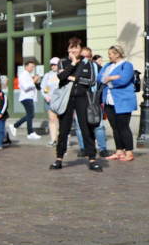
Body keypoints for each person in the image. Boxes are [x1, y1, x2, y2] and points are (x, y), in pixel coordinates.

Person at [51, 37, 101, 172]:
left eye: (76, 47)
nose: (73, 50)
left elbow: (90, 80)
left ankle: (92, 159)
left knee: (86, 128)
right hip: (66, 99)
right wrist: (72, 64)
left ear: (81, 49)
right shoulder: (63, 62)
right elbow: (61, 77)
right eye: (71, 47)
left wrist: (73, 78)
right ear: (68, 49)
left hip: (82, 98)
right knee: (64, 129)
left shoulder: (87, 63)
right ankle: (59, 158)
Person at [99, 45, 136, 162]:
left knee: (123, 127)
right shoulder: (108, 65)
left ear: (117, 54)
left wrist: (109, 78)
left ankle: (129, 152)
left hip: (123, 101)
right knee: (115, 127)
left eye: (110, 53)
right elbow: (100, 77)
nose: (108, 56)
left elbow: (123, 80)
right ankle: (119, 151)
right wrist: (112, 77)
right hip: (109, 101)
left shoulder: (127, 65)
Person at [11, 58, 41, 140]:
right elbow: (25, 87)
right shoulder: (23, 75)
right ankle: (16, 126)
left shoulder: (27, 75)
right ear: (26, 67)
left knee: (30, 115)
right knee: (30, 115)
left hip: (29, 97)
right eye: (31, 67)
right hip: (26, 97)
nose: (32, 69)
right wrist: (34, 81)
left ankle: (29, 132)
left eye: (33, 67)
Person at [42, 57, 61, 147]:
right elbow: (44, 87)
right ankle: (53, 139)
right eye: (52, 65)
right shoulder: (48, 75)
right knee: (52, 119)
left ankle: (62, 139)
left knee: (62, 120)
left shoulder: (63, 74)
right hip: (50, 100)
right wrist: (46, 96)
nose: (53, 66)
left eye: (55, 64)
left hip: (61, 100)